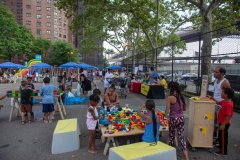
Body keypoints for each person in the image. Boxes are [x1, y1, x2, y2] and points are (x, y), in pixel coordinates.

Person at [207, 88, 234, 156]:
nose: (221, 94)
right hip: (221, 122)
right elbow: (218, 102)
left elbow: (228, 115)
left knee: (223, 137)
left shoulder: (228, 105)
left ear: (226, 95)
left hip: (224, 124)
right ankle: (220, 146)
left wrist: (223, 125)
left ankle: (223, 152)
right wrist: (212, 98)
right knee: (220, 136)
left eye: (222, 93)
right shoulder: (224, 101)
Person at [165, 81, 189, 160]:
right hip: (181, 118)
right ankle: (186, 158)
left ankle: (169, 156)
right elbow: (184, 108)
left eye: (169, 88)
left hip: (173, 118)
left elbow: (166, 111)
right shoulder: (181, 96)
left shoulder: (170, 98)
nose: (168, 90)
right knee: (181, 138)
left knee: (171, 136)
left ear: (172, 88)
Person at [212, 66, 230, 139]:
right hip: (214, 103)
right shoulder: (215, 81)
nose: (214, 73)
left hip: (220, 105)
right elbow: (215, 92)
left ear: (222, 73)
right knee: (214, 121)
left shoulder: (225, 82)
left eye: (216, 72)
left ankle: (219, 139)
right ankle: (214, 134)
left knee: (219, 122)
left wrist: (224, 104)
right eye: (214, 71)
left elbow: (228, 95)